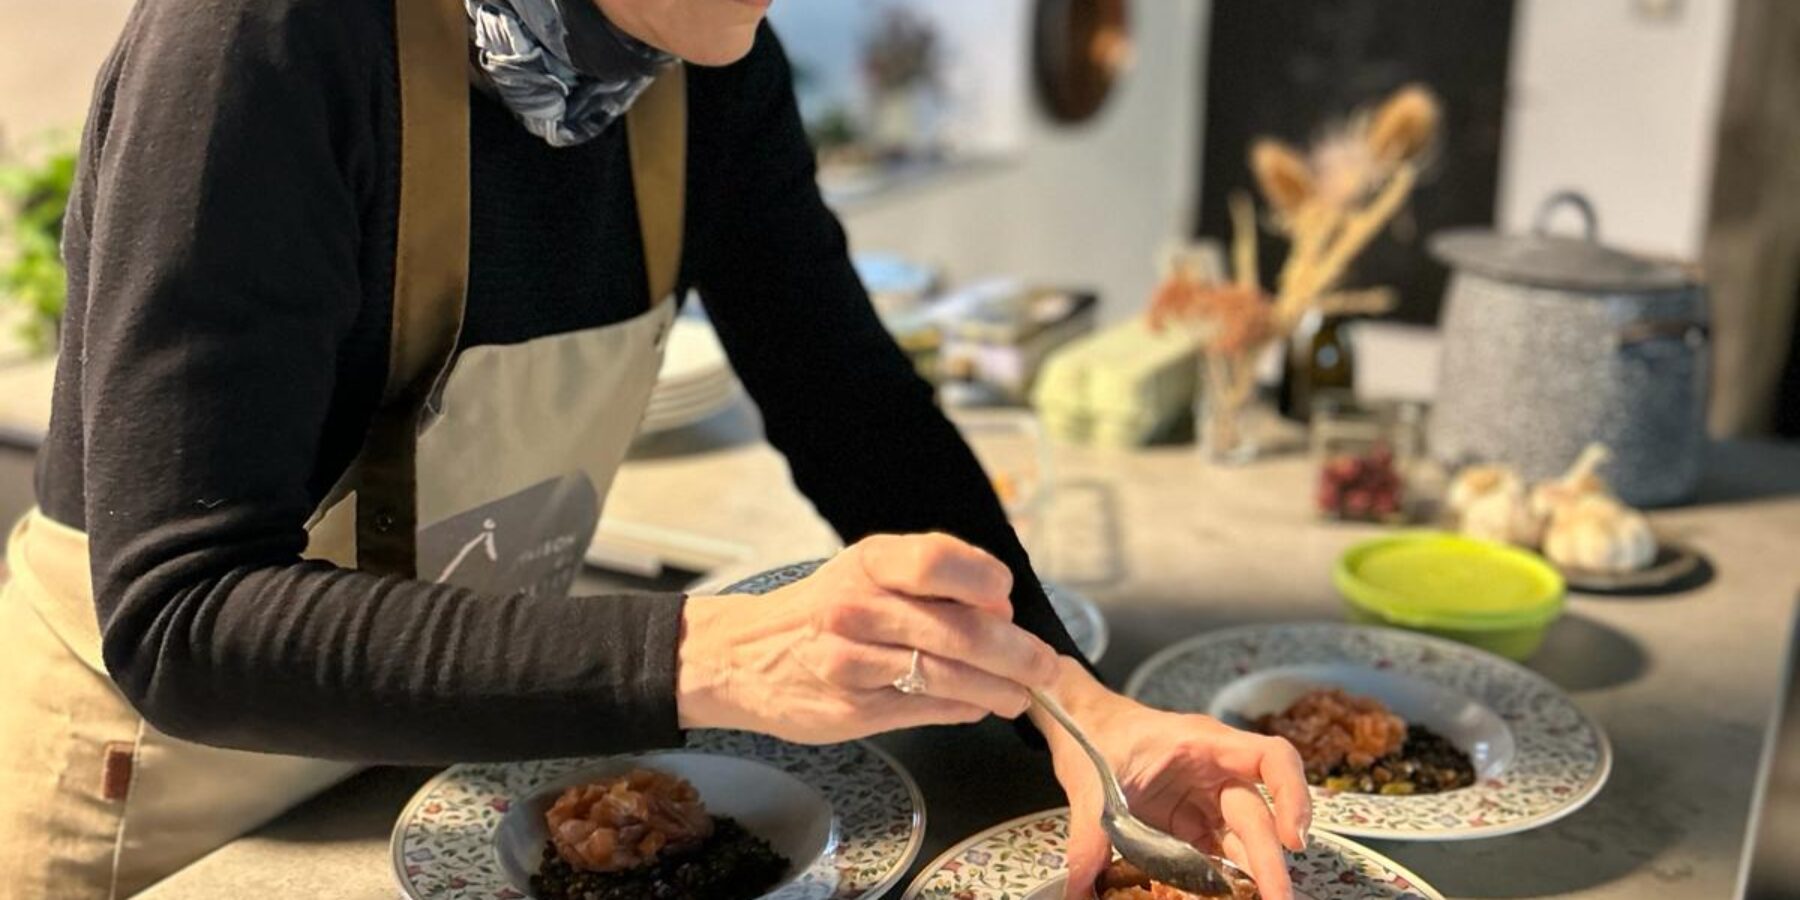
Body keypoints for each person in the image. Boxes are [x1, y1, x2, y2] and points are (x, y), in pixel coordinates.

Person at [0, 0, 1310, 898]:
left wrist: (1085, 718)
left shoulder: (703, 66)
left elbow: (859, 414)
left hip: (433, 777)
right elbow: (186, 616)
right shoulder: (263, 45)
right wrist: (717, 652)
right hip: (161, 814)